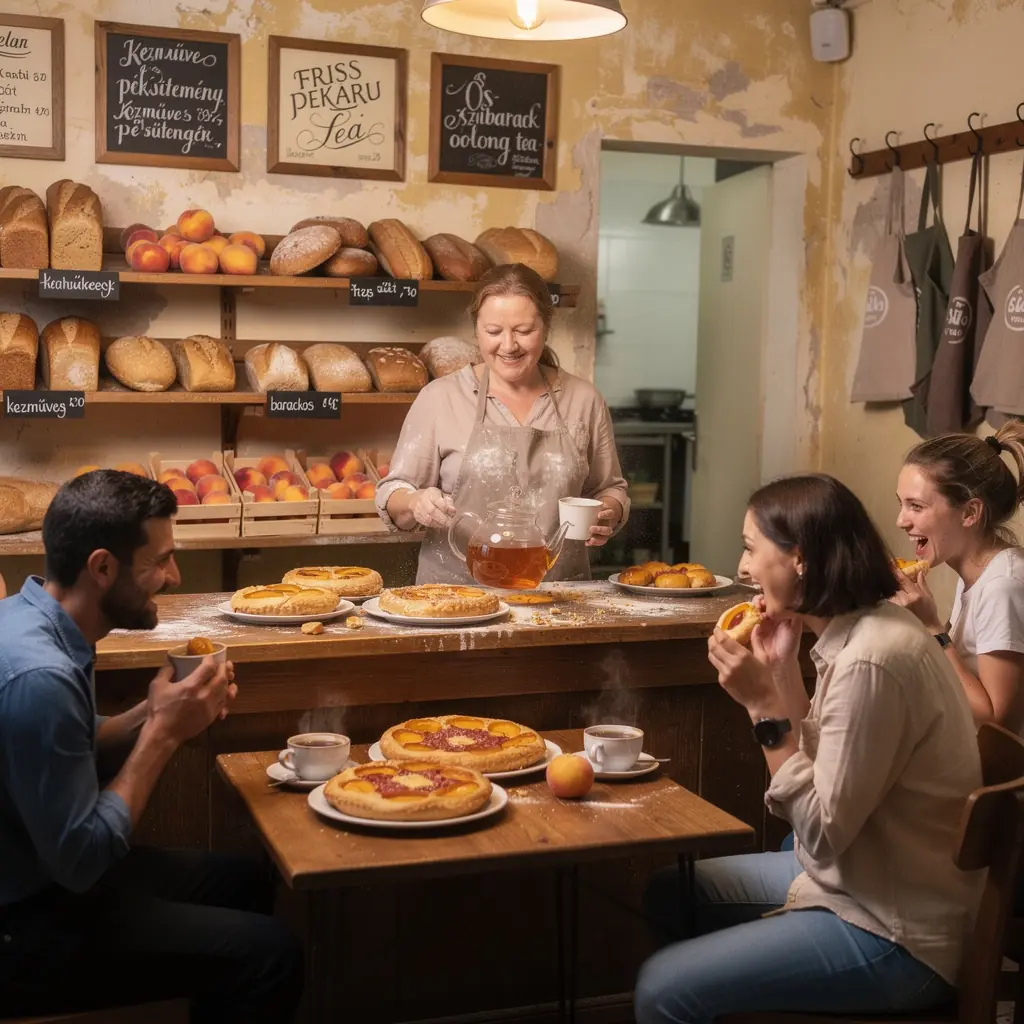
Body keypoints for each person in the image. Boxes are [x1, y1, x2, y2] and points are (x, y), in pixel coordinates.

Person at [634, 475, 981, 1024]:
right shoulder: (862, 627)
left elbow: (820, 836)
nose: (743, 568)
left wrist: (762, 710)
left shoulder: (872, 659)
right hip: (860, 878)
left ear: (799, 558)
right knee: (668, 893)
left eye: (751, 548)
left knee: (662, 990)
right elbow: (826, 777)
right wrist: (778, 668)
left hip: (895, 930)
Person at [0, 471, 303, 1022]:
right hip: (22, 925)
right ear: (102, 567)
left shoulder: (28, 619)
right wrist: (163, 734)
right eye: (160, 561)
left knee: (245, 883)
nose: (174, 575)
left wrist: (157, 710)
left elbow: (70, 745)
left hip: (38, 874)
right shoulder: (40, 675)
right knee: (271, 954)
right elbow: (81, 862)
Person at [376, 263, 629, 583]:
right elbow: (393, 492)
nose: (509, 346)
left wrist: (609, 512)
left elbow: (609, 488)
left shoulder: (584, 399)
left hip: (559, 597)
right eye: (494, 332)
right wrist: (415, 502)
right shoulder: (441, 398)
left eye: (524, 331)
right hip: (455, 598)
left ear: (546, 327)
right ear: (476, 331)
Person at [894, 420, 1024, 731]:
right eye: (901, 504)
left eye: (916, 506)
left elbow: (996, 721)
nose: (901, 521)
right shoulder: (975, 571)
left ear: (969, 513)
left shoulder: (1002, 586)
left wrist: (932, 626)